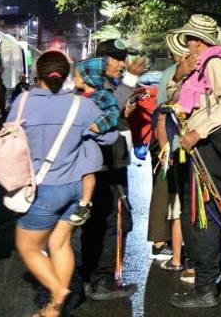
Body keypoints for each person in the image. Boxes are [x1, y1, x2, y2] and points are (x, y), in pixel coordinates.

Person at [10, 51, 118, 317]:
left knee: (28, 246)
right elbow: (109, 137)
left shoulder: (23, 103)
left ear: (39, 74)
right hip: (76, 187)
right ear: (66, 77)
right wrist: (84, 132)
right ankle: (53, 310)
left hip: (44, 187)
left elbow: (10, 137)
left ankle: (57, 291)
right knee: (60, 243)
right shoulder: (80, 105)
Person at [166, 14, 221, 308]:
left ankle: (205, 288)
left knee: (202, 216)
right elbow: (176, 102)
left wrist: (199, 131)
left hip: (208, 150)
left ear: (198, 42)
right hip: (209, 149)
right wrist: (178, 75)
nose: (186, 45)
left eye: (189, 40)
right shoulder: (198, 68)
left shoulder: (214, 64)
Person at [79, 38, 145, 301]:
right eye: (116, 59)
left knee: (101, 222)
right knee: (111, 221)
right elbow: (105, 112)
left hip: (109, 162)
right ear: (101, 61)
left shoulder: (105, 85)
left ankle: (92, 276)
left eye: (123, 58)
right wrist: (130, 81)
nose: (122, 63)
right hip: (105, 166)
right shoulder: (97, 87)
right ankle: (102, 281)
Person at [147, 34, 188, 274]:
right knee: (172, 198)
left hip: (175, 145)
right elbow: (162, 116)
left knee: (173, 198)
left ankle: (169, 246)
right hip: (173, 146)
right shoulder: (170, 75)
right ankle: (167, 246)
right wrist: (165, 150)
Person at [69, 58, 120, 227]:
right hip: (77, 147)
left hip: (90, 147)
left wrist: (100, 125)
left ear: (86, 78)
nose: (74, 79)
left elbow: (113, 113)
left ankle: (85, 203)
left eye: (76, 76)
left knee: (88, 173)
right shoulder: (75, 96)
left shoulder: (104, 96)